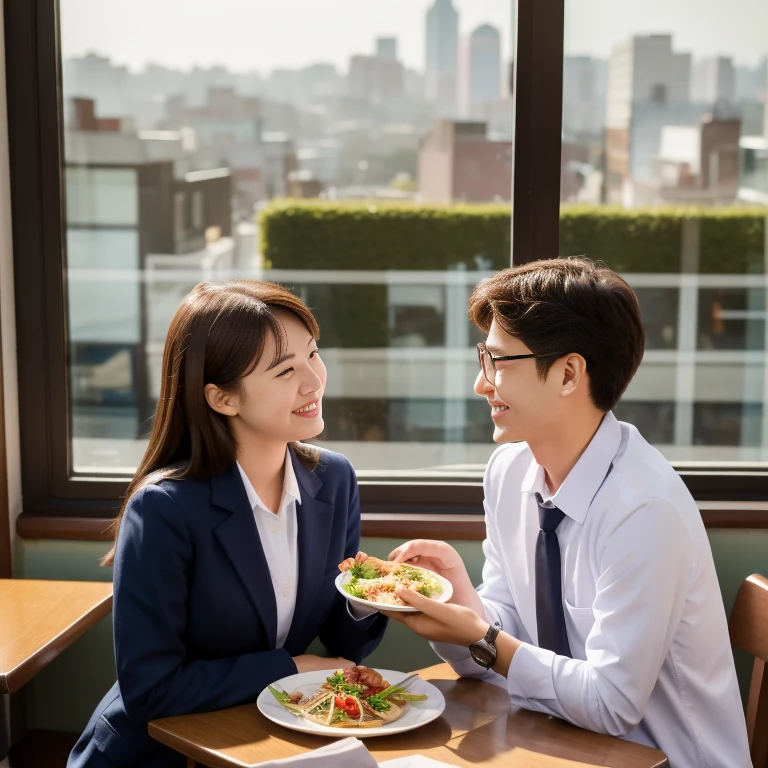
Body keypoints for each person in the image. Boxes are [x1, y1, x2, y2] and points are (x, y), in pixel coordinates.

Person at [385, 258, 751, 768]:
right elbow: (498, 647)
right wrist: (458, 600)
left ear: (568, 373)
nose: (481, 383)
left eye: (498, 362)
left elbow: (610, 704)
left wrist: (482, 637)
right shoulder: (509, 471)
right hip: (556, 746)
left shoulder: (643, 509)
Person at [68, 281, 387, 768]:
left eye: (313, 354)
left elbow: (343, 645)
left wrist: (367, 600)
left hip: (267, 742)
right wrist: (291, 668)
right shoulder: (163, 509)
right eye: (285, 370)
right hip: (159, 753)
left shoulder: (333, 479)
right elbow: (151, 689)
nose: (314, 381)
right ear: (222, 399)